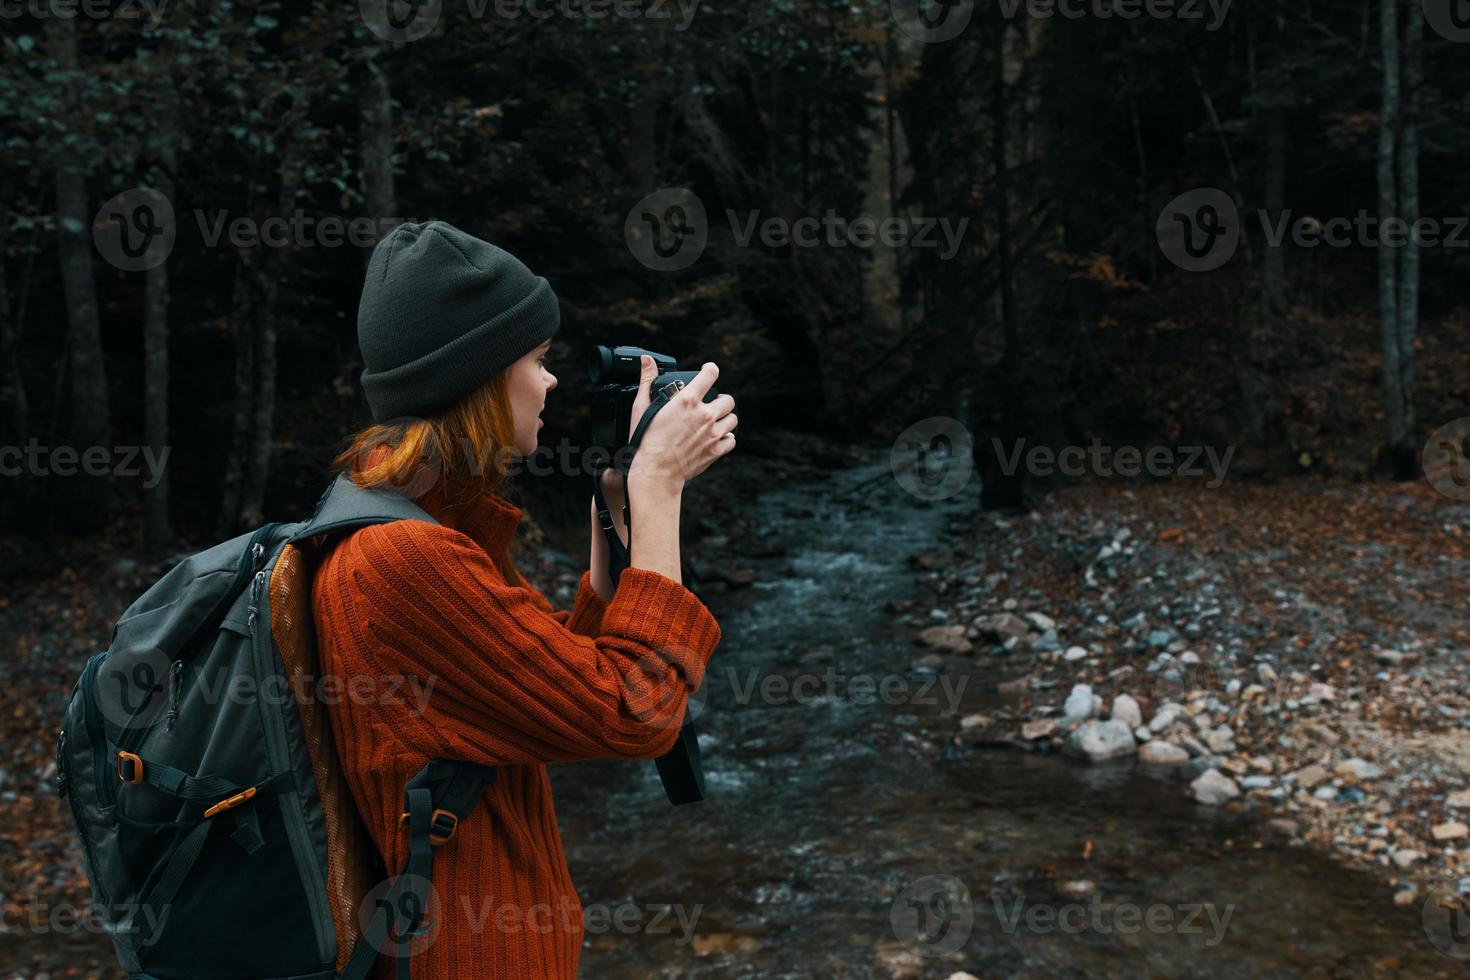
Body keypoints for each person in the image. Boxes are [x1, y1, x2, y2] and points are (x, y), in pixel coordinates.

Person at [310, 220, 737, 978]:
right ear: (475, 376)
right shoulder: (402, 560)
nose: (551, 382)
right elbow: (633, 708)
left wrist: (618, 503)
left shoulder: (412, 527)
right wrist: (662, 488)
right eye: (535, 361)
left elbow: (563, 682)